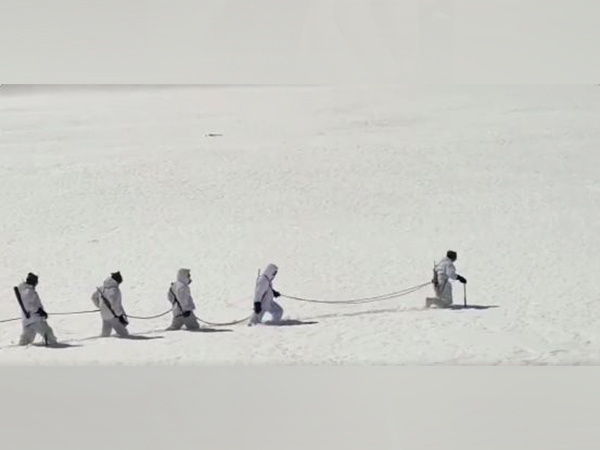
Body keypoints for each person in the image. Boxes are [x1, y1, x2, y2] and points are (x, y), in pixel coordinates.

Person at [14, 272, 58, 346]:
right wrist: (39, 311)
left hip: (27, 319)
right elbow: (28, 305)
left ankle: (21, 349)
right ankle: (53, 345)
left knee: (27, 337)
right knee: (48, 333)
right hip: (35, 319)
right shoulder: (28, 291)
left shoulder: (24, 290)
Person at [91, 271, 129, 337]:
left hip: (104, 314)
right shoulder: (115, 291)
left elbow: (93, 297)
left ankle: (100, 343)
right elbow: (115, 305)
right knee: (124, 333)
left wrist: (100, 306)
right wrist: (120, 315)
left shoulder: (102, 288)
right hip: (112, 316)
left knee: (105, 334)